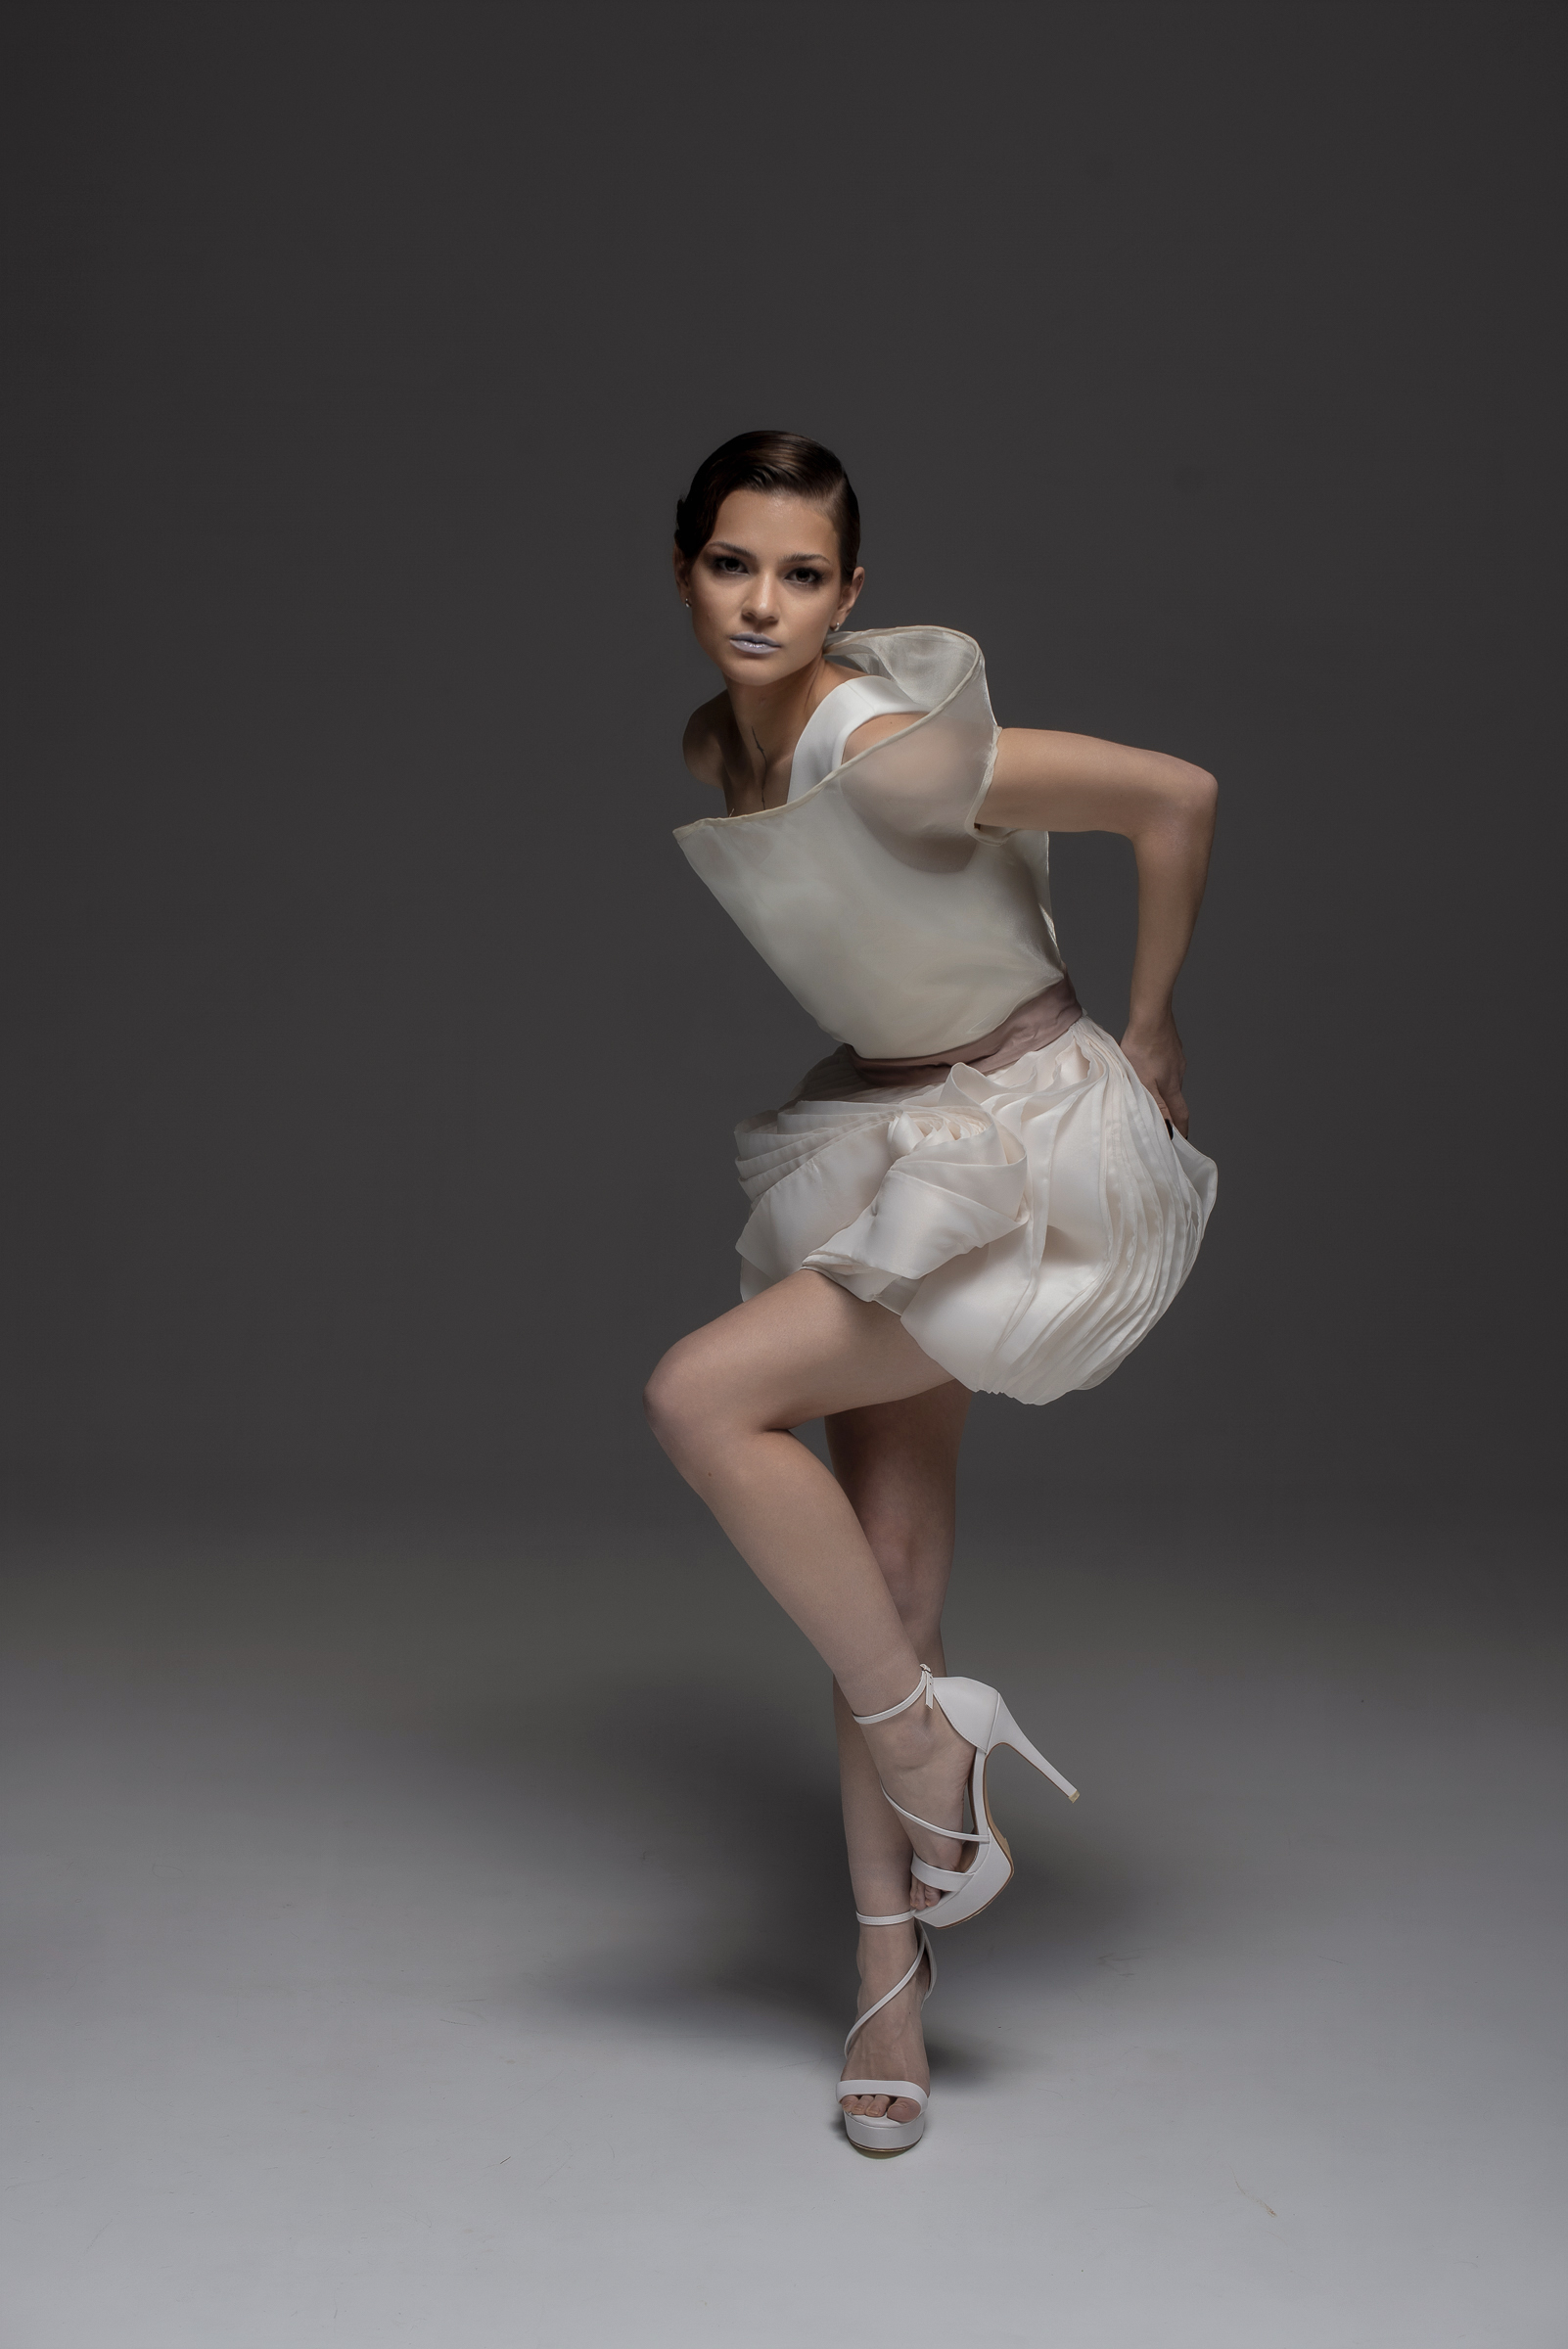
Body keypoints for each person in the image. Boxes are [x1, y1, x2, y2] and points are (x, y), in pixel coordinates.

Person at [644, 430, 1218, 2155]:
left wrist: (1152, 1023)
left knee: (700, 1398)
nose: (761, 603)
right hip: (890, 1128)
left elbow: (1173, 794)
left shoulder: (882, 753)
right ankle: (888, 1973)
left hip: (1014, 1139)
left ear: (849, 594)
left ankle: (926, 1753)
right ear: (683, 569)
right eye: (732, 564)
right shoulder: (719, 741)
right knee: (879, 1583)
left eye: (800, 575)